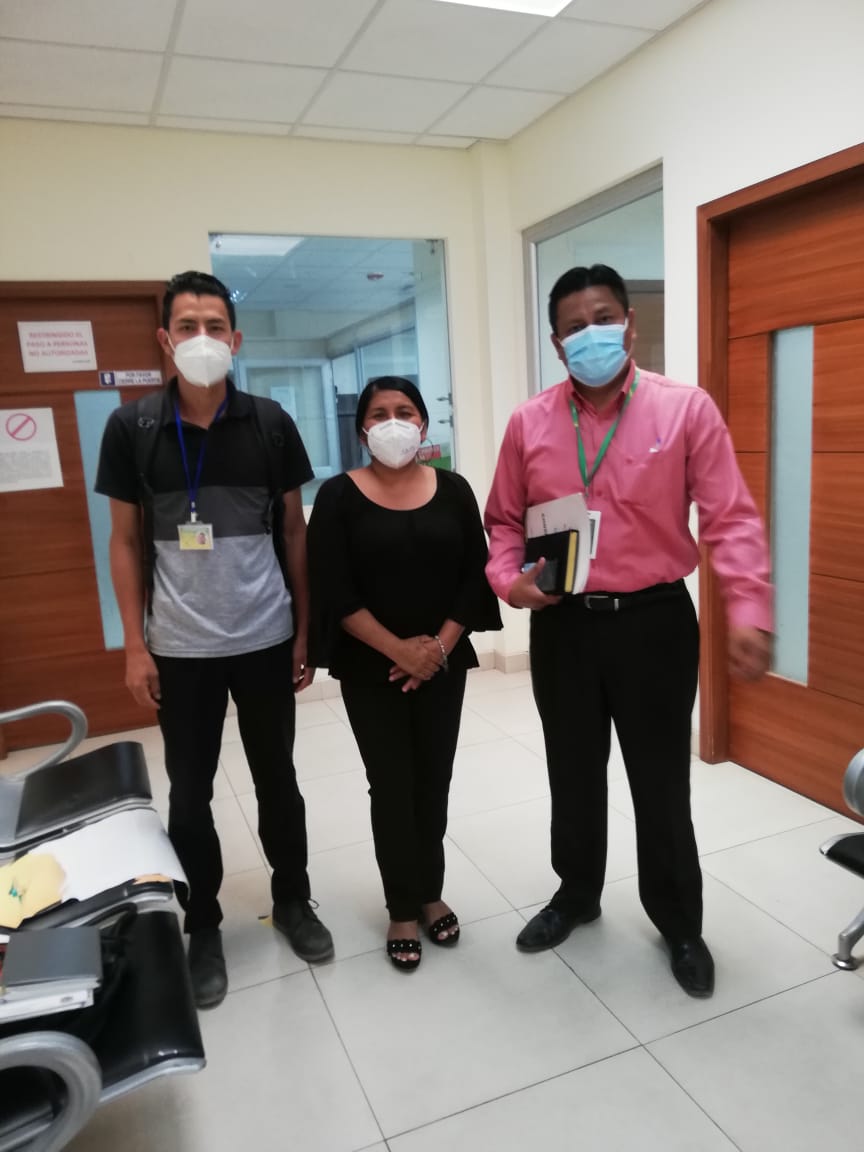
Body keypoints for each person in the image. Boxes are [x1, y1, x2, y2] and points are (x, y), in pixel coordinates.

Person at [484, 264, 772, 998]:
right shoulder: (529, 423)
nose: (592, 334)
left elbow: (731, 516)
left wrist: (748, 606)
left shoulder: (685, 408)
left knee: (660, 780)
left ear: (630, 323)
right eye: (574, 327)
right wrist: (509, 581)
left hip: (654, 623)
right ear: (557, 343)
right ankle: (576, 893)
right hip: (564, 624)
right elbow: (503, 521)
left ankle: (679, 923)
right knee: (572, 771)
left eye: (604, 318)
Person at [95, 270, 333, 1009]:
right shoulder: (133, 428)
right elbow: (124, 541)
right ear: (165, 340)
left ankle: (292, 900)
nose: (203, 338)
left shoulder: (270, 423)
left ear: (237, 338)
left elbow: (293, 531)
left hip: (264, 635)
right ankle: (202, 924)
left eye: (215, 326)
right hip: (180, 646)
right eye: (187, 326)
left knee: (277, 779)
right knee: (190, 794)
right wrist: (135, 645)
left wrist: (303, 628)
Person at [307, 377, 501, 971]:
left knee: (433, 780)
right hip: (371, 667)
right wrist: (399, 650)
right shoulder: (338, 496)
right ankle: (400, 907)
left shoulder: (454, 488)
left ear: (423, 424)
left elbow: (474, 573)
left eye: (405, 411)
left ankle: (429, 891)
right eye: (379, 413)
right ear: (361, 429)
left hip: (443, 660)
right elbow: (333, 587)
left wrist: (436, 649)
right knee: (391, 785)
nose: (393, 422)